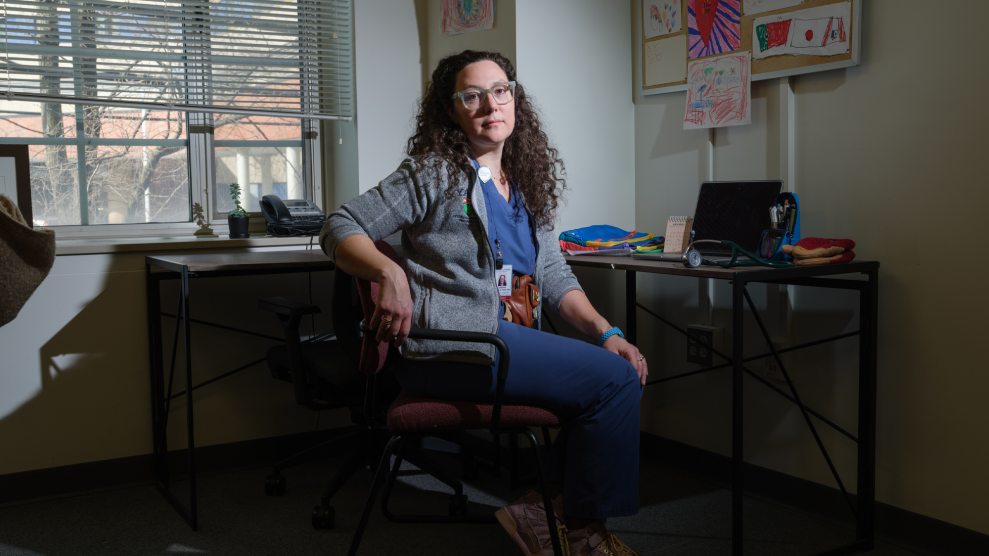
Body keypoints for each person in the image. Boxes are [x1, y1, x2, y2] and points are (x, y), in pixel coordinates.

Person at [320, 50, 646, 556]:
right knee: (615, 381)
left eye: (500, 90)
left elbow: (553, 275)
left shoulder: (525, 179)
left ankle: (544, 513)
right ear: (452, 110)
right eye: (471, 95)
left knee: (609, 374)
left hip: (505, 341)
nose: (489, 104)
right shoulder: (433, 173)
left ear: (515, 99)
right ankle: (581, 536)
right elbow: (339, 225)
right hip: (455, 347)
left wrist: (607, 333)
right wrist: (389, 271)